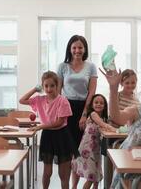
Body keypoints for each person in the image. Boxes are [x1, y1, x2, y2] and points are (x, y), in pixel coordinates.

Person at [19, 71, 78, 189]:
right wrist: (35, 89)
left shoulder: (63, 101)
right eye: (46, 86)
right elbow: (22, 100)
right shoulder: (39, 99)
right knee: (47, 172)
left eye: (52, 85)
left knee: (63, 174)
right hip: (48, 136)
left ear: (57, 86)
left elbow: (60, 122)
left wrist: (41, 126)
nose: (49, 89)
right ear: (42, 86)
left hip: (62, 136)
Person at [57, 35, 97, 187]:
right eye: (74, 47)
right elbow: (58, 91)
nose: (77, 50)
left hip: (83, 108)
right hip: (66, 108)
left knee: (78, 151)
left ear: (85, 49)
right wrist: (59, 112)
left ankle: (75, 186)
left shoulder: (91, 66)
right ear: (69, 49)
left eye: (80, 47)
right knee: (66, 153)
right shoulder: (62, 66)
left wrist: (85, 114)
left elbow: (91, 92)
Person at [72, 94, 116, 189]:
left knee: (96, 177)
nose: (99, 104)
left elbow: (105, 124)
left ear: (105, 106)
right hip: (87, 150)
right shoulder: (93, 114)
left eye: (101, 103)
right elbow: (102, 124)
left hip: (95, 150)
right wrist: (112, 128)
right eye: (96, 102)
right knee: (92, 177)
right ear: (92, 105)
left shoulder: (104, 118)